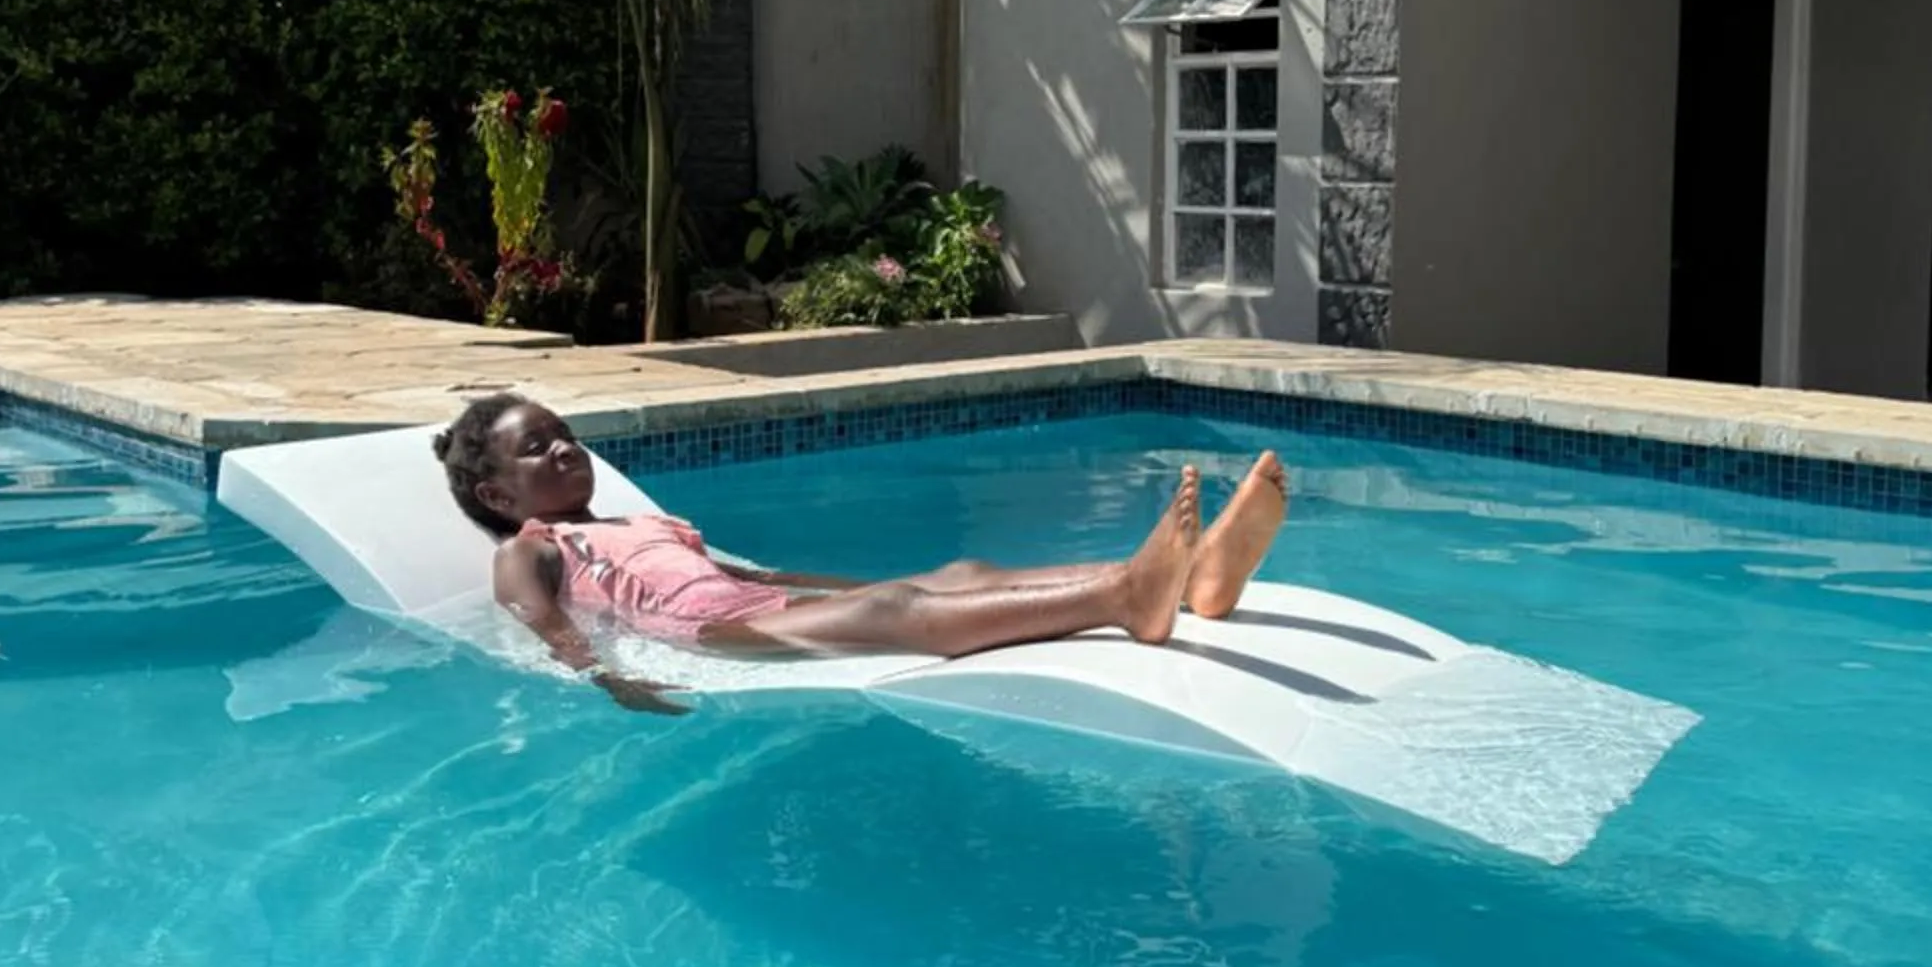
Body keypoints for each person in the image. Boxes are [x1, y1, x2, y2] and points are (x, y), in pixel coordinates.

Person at [433, 392, 1291, 714]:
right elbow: (542, 623)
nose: (564, 450)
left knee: (955, 579)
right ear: (498, 498)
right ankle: (1124, 595)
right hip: (711, 637)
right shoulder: (533, 546)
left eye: (567, 436)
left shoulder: (631, 523)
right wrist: (609, 681)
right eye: (537, 449)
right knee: (895, 616)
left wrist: (863, 582)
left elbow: (754, 577)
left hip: (748, 607)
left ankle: (1188, 586)